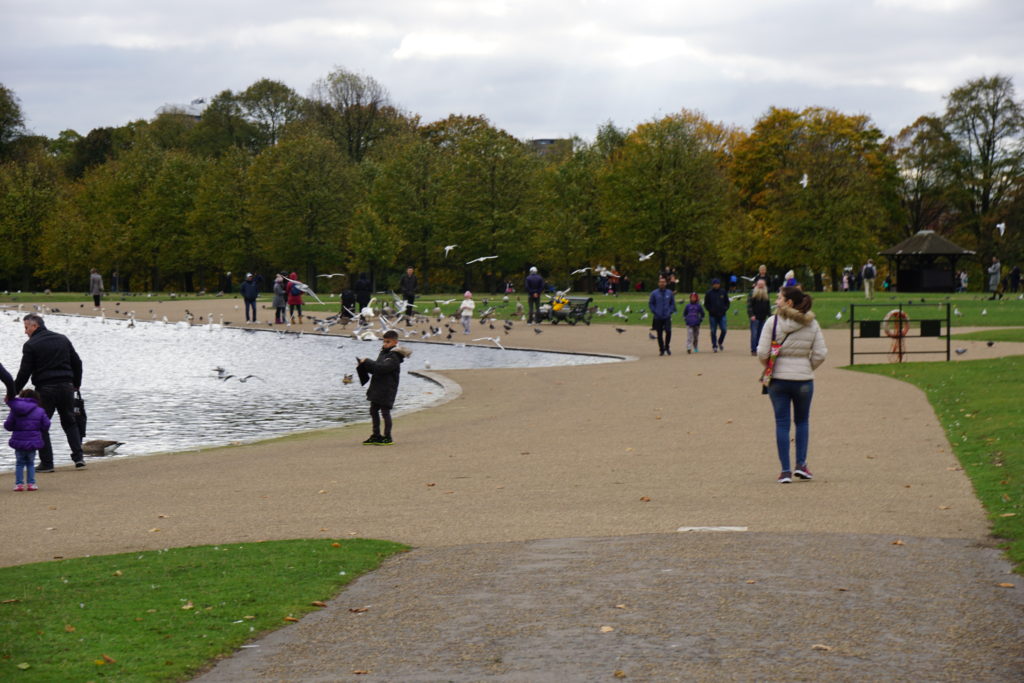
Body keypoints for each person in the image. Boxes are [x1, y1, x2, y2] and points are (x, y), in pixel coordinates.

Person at [757, 286, 828, 484]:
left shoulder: (773, 322)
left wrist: (771, 366)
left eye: (779, 297)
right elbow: (821, 353)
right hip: (803, 380)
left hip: (778, 379)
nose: (776, 300)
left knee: (782, 423)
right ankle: (802, 465)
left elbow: (762, 353)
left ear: (789, 302)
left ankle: (785, 470)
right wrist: (806, 366)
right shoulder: (812, 324)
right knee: (802, 421)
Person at [13, 313, 85, 471]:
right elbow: (77, 363)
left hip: (45, 390)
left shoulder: (31, 345)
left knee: (40, 425)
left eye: (26, 327)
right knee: (69, 421)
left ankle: (47, 463)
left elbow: (25, 372)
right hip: (67, 387)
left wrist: (14, 391)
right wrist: (76, 384)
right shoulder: (62, 339)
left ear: (34, 326)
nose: (25, 331)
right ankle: (79, 457)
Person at [357, 330, 411, 446]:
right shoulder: (383, 352)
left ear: (395, 342)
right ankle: (376, 435)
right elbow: (376, 369)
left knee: (385, 412)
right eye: (384, 341)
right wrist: (363, 366)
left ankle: (387, 436)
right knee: (373, 410)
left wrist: (368, 361)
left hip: (387, 389)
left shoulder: (395, 356)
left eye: (388, 342)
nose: (384, 344)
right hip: (377, 386)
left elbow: (383, 368)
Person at [5, 388, 50, 491]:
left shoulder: (15, 410)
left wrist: (14, 427)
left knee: (19, 463)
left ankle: (19, 484)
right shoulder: (40, 410)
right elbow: (46, 424)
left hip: (19, 441)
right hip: (32, 441)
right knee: (30, 463)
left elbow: (8, 425)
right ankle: (31, 484)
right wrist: (39, 429)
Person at [648, 276, 677, 356]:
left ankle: (667, 346)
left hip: (667, 316)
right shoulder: (654, 293)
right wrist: (655, 311)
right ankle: (661, 349)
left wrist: (670, 311)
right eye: (661, 282)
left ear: (666, 283)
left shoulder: (669, 293)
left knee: (668, 331)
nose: (662, 283)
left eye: (663, 282)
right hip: (658, 316)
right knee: (659, 333)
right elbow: (651, 304)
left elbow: (672, 303)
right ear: (658, 283)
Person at [703, 278, 730, 352]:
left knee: (724, 330)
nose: (716, 285)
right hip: (713, 315)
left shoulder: (723, 292)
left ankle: (720, 342)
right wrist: (710, 310)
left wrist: (725, 309)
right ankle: (714, 345)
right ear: (712, 285)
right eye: (715, 284)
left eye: (717, 284)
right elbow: (706, 304)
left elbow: (727, 302)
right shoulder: (709, 293)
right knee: (713, 331)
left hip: (722, 314)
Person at [747, 278, 771, 356]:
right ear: (757, 285)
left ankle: (758, 349)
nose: (761, 286)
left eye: (762, 285)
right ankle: (753, 350)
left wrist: (769, 315)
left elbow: (768, 306)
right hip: (755, 317)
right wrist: (751, 315)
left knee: (761, 334)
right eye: (759, 285)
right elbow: (749, 305)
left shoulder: (766, 293)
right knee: (754, 334)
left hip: (763, 317)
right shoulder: (752, 293)